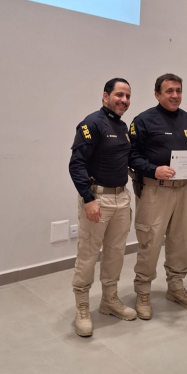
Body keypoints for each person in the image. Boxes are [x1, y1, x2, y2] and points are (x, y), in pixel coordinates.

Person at [129, 73, 187, 319]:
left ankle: (175, 286)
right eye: (169, 91)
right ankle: (143, 291)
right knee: (150, 241)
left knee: (181, 241)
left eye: (178, 91)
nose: (175, 95)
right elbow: (131, 156)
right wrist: (153, 169)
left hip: (183, 190)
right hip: (155, 190)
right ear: (157, 94)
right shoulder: (143, 120)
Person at [69, 78, 137, 337]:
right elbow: (76, 164)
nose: (124, 100)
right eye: (119, 94)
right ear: (105, 96)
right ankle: (82, 307)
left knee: (115, 253)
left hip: (121, 199)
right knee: (88, 254)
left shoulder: (122, 126)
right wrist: (88, 199)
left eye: (127, 96)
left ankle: (109, 300)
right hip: (98, 199)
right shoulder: (92, 123)